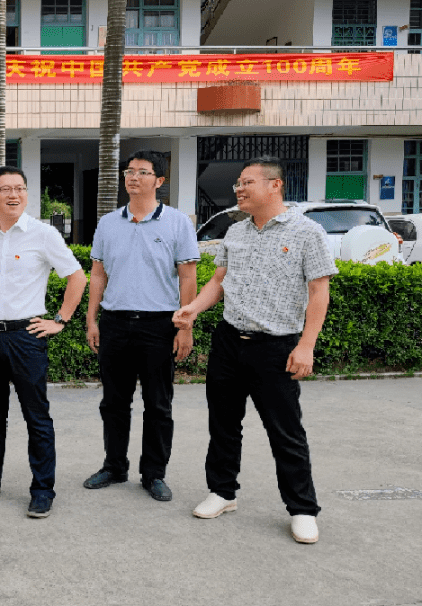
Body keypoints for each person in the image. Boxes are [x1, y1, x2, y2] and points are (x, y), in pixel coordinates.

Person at [173, 156, 337, 544]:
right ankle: (222, 492)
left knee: (286, 433)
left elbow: (319, 292)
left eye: (247, 183)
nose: (239, 190)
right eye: (238, 184)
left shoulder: (306, 232)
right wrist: (194, 309)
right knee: (224, 425)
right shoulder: (237, 232)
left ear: (275, 185)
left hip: (276, 346)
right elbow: (220, 279)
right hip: (230, 342)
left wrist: (306, 346)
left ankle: (301, 509)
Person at [0, 165, 88, 519]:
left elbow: (77, 277)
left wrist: (61, 319)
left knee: (36, 416)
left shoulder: (43, 235)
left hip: (26, 336)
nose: (14, 195)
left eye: (20, 188)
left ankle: (43, 489)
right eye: (6, 189)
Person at [82, 150, 199, 502]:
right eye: (129, 172)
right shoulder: (108, 223)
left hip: (159, 326)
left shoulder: (178, 223)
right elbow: (98, 273)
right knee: (113, 403)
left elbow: (188, 277)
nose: (133, 178)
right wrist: (91, 318)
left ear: (159, 181)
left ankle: (154, 474)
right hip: (115, 323)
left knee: (158, 404)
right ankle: (114, 466)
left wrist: (185, 325)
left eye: (143, 173)